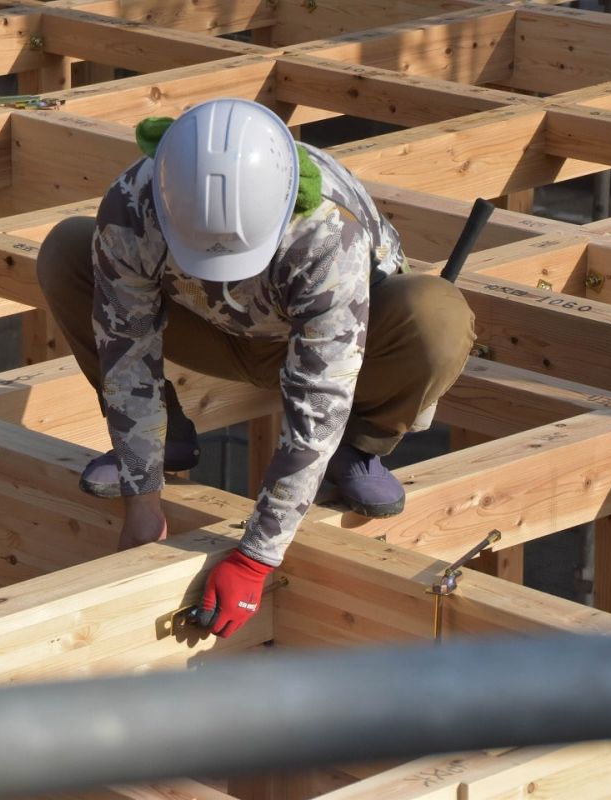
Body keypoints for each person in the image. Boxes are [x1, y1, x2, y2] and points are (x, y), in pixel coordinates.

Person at [36, 98, 474, 638]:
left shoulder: (325, 232)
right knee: (68, 250)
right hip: (209, 327)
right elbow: (126, 353)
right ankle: (167, 435)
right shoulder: (136, 204)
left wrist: (257, 556)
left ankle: (359, 448)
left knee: (437, 316)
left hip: (336, 347)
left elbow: (320, 396)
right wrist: (142, 499)